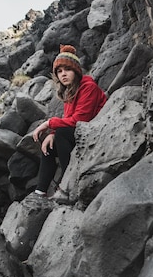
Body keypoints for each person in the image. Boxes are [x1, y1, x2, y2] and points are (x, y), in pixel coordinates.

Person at [32, 44, 107, 201]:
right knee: (50, 144)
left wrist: (48, 124)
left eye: (67, 70)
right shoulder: (69, 92)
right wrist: (51, 134)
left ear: (77, 71)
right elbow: (68, 119)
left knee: (61, 134)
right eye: (59, 71)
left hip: (97, 134)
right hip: (80, 133)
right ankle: (39, 193)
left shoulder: (88, 87)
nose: (63, 74)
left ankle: (68, 185)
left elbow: (80, 120)